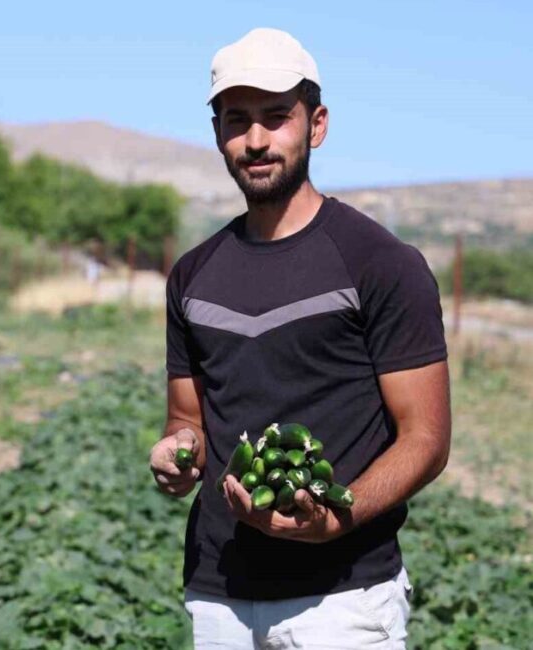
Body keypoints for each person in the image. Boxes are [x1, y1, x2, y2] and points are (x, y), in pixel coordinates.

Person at [149, 28, 450, 649]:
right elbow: (189, 420)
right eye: (237, 120)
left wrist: (334, 519)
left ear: (317, 125)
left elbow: (426, 438)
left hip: (341, 601)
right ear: (216, 133)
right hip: (219, 593)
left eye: (276, 118)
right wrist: (178, 453)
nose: (256, 140)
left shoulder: (379, 263)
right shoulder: (193, 274)